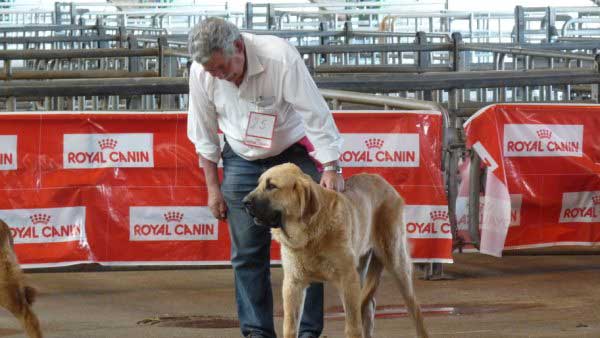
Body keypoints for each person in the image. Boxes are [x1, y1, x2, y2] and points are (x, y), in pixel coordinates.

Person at [187, 17, 344, 338]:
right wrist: (212, 188)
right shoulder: (201, 72)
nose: (216, 75)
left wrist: (331, 166)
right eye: (210, 71)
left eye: (221, 68)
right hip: (241, 159)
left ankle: (307, 332)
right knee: (246, 253)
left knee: (310, 246)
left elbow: (314, 112)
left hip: (290, 155)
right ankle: (257, 331)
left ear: (239, 49)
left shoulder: (280, 56)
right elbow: (203, 132)